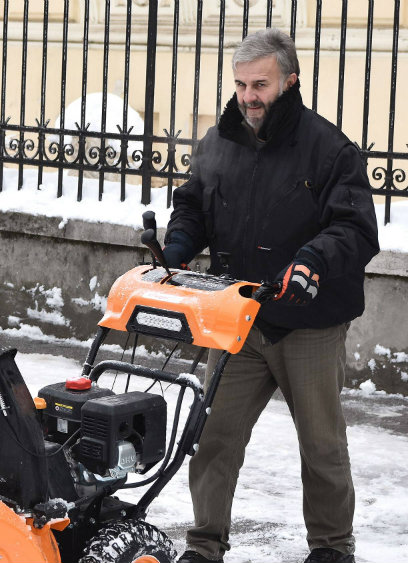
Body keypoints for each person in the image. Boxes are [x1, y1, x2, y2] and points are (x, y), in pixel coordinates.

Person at [162, 29, 379, 563]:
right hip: (238, 319)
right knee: (213, 438)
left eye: (260, 84)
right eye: (240, 85)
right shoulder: (220, 142)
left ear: (290, 81)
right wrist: (181, 243)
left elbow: (355, 228)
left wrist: (312, 261)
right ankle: (205, 544)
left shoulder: (330, 150)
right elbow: (194, 203)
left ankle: (331, 548)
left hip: (308, 323)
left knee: (322, 446)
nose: (248, 96)